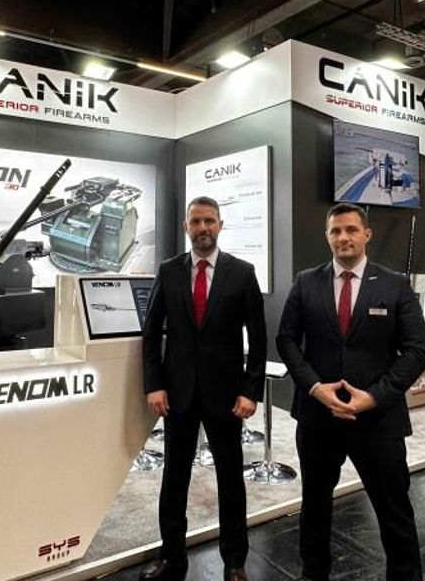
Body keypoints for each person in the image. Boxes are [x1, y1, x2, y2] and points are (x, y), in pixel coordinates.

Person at [276, 203, 425, 581]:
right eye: (335, 231)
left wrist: (374, 396)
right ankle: (313, 573)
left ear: (367, 235)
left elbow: (417, 350)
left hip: (378, 419)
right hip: (318, 417)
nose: (343, 237)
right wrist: (314, 387)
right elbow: (286, 340)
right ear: (327, 236)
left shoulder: (394, 284)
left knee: (394, 510)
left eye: (351, 230)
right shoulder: (306, 282)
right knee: (315, 505)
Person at [140, 196, 266, 581]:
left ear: (220, 225)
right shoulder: (168, 271)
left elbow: (258, 337)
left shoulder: (242, 273)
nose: (203, 228)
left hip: (226, 395)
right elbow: (151, 333)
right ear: (186, 227)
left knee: (231, 480)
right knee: (174, 478)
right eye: (195, 221)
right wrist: (154, 384)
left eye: (209, 221)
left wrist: (251, 391)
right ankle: (171, 558)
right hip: (177, 394)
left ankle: (235, 562)